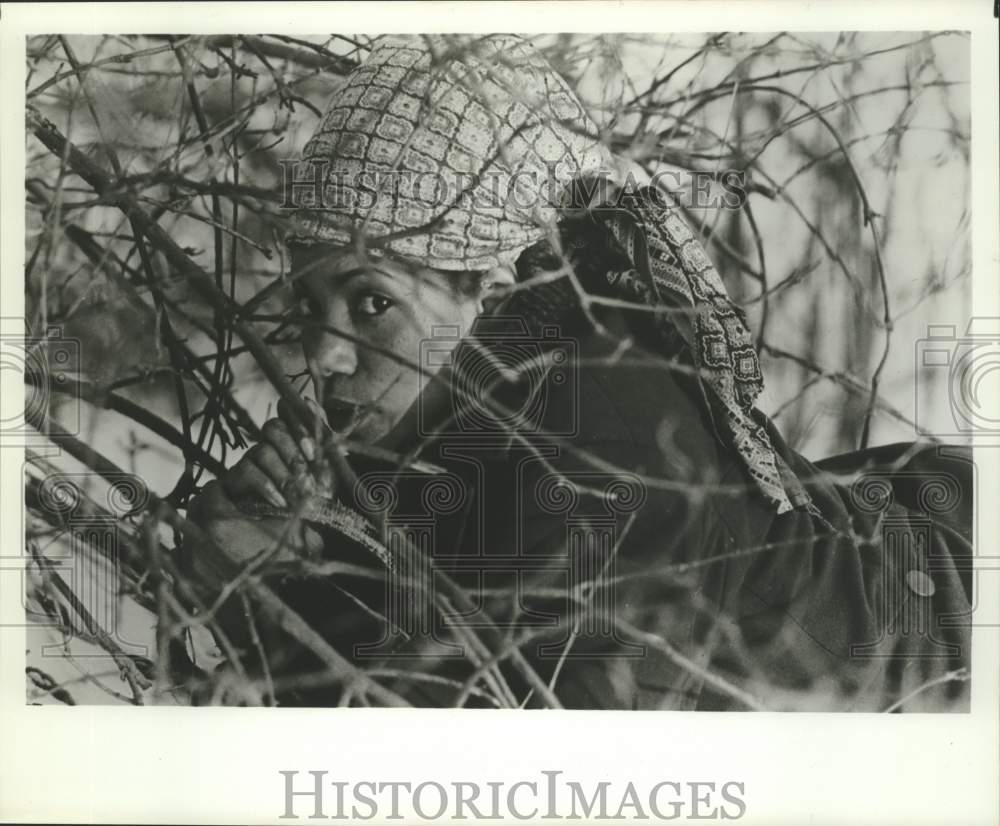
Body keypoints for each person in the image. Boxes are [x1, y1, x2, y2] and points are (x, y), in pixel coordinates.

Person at [186, 35, 973, 710]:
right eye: (309, 303)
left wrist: (259, 587)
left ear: (491, 292)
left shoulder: (599, 453)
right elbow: (425, 618)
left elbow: (481, 751)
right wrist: (276, 545)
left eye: (369, 303)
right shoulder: (463, 401)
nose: (322, 355)